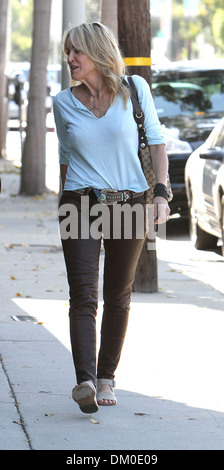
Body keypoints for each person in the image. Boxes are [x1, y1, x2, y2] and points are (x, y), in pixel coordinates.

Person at [53, 22, 170, 414]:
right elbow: (67, 158)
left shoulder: (135, 90)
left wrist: (161, 194)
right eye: (68, 51)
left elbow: (155, 141)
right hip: (80, 205)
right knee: (82, 295)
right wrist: (63, 204)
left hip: (131, 203)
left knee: (117, 296)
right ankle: (84, 381)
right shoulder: (63, 102)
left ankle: (106, 378)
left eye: (77, 52)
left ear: (97, 53)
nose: (70, 58)